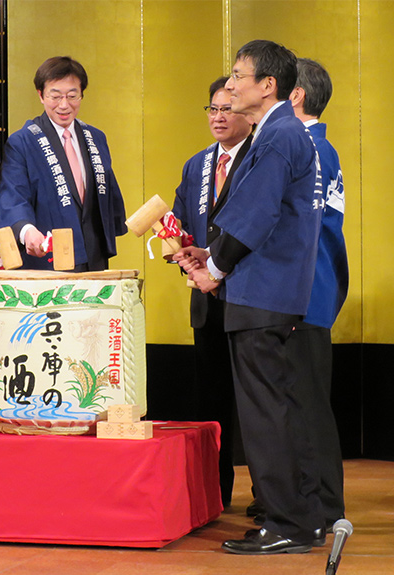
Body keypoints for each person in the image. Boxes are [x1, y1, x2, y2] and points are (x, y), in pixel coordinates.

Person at [175, 39, 324, 555]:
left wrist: (214, 267)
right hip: (269, 291)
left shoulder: (277, 136)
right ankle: (299, 517)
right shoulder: (278, 132)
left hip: (262, 292)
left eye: (239, 76)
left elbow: (257, 215)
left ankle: (285, 522)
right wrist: (208, 253)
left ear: (268, 86)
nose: (231, 84)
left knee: (265, 413)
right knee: (275, 408)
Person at [171, 76, 253, 508]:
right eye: (213, 109)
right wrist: (176, 245)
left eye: (228, 109)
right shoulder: (197, 164)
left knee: (255, 406)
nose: (219, 117)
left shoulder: (259, 158)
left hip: (248, 299)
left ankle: (266, 496)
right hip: (206, 303)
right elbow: (183, 220)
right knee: (212, 407)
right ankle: (214, 495)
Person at [285, 58, 349, 530]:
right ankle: (314, 501)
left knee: (306, 406)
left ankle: (320, 506)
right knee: (306, 404)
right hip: (316, 288)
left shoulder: (306, 148)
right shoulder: (321, 147)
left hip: (303, 292)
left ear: (295, 96)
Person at [0, 56, 127, 271]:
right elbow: (13, 195)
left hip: (93, 256)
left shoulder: (96, 138)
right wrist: (27, 230)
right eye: (55, 96)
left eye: (72, 96)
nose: (64, 105)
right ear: (41, 95)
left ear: (82, 94)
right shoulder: (22, 142)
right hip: (48, 258)